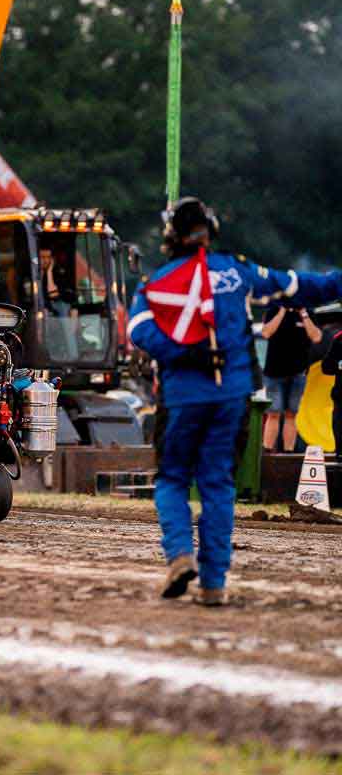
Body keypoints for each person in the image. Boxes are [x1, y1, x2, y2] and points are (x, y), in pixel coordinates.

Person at [127, 197, 342, 607]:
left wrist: (180, 353)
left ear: (170, 235)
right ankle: (213, 583)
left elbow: (138, 330)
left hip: (182, 399)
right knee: (218, 485)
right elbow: (301, 285)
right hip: (232, 398)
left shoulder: (154, 285)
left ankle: (179, 555)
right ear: (211, 231)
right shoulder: (238, 270)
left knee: (172, 481)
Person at [260, 305, 320, 451]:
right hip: (274, 372)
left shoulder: (308, 313)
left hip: (298, 372)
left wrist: (303, 314)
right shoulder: (274, 310)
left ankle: (289, 451)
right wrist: (281, 311)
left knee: (292, 414)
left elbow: (316, 336)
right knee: (273, 413)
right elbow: (266, 333)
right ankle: (268, 449)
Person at [321, 329, 342, 453]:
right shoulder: (339, 339)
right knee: (339, 428)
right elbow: (326, 367)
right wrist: (339, 365)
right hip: (341, 395)